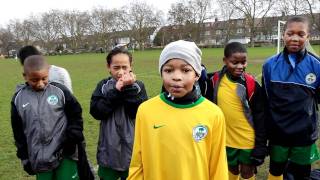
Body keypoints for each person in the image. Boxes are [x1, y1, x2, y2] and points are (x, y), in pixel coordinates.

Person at [128, 40, 228, 180]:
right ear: (161, 72)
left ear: (197, 74)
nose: (176, 77)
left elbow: (218, 167)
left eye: (186, 70)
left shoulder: (214, 114)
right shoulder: (146, 110)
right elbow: (137, 163)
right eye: (168, 70)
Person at [262, 16, 320, 180]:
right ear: (283, 35)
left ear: (307, 37)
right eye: (290, 33)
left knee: (302, 174)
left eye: (301, 34)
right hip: (278, 134)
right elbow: (267, 101)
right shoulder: (269, 65)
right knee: (275, 171)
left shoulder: (317, 66)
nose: (295, 38)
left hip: (304, 135)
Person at [11, 55, 85, 180]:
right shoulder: (18, 98)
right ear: (25, 76)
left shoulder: (60, 91)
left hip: (65, 153)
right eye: (34, 80)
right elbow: (18, 132)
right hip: (38, 157)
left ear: (48, 73)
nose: (40, 84)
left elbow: (75, 114)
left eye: (44, 78)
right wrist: (24, 157)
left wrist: (72, 139)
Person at [205, 42, 267, 180]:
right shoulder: (215, 81)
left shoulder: (251, 85)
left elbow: (260, 116)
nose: (240, 66)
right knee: (230, 170)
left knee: (247, 173)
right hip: (225, 139)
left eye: (243, 62)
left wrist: (261, 145)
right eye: (234, 62)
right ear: (225, 61)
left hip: (247, 140)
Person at [90, 47, 148, 180]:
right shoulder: (103, 86)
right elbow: (96, 112)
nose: (121, 72)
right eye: (116, 67)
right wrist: (116, 92)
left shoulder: (138, 86)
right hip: (108, 150)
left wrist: (128, 89)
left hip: (133, 149)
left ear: (131, 66)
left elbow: (138, 114)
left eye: (124, 67)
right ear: (108, 67)